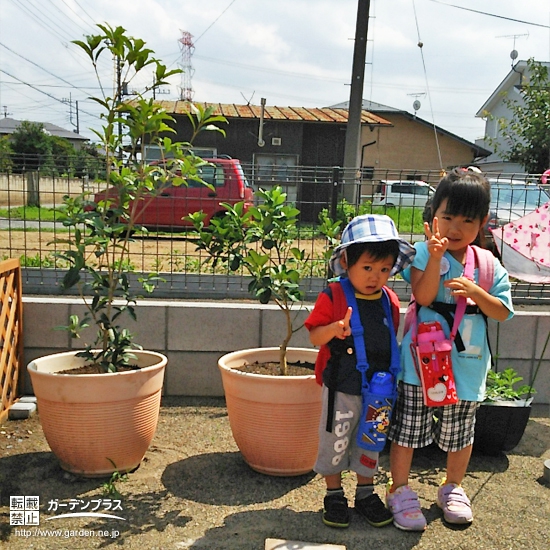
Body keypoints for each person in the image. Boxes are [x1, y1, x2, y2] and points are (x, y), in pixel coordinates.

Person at [386, 167, 514, 531]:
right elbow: (423, 297)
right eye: (447, 217)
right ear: (433, 217)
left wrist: (477, 293)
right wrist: (435, 258)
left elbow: (502, 312)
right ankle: (399, 489)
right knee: (408, 429)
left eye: (467, 220)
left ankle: (453, 487)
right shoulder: (424, 254)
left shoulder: (489, 265)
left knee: (461, 431)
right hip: (420, 363)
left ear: (483, 222)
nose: (455, 227)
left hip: (467, 365)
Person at [305, 214, 416, 529]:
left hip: (379, 389)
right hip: (342, 385)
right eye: (367, 268)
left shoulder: (390, 300)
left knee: (372, 440)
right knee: (335, 440)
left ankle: (365, 492)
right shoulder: (334, 295)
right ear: (346, 261)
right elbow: (314, 335)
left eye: (384, 269)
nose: (375, 277)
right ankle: (333, 493)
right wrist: (335, 329)